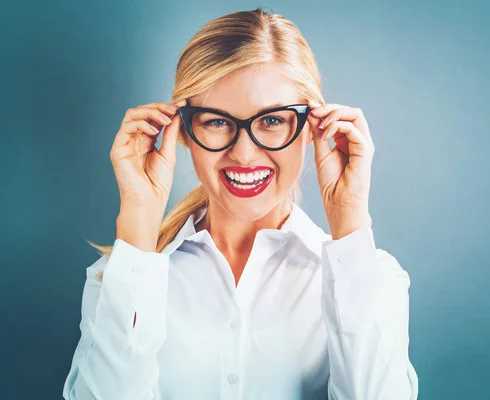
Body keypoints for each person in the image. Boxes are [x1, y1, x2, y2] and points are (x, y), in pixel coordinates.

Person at [62, 7, 418, 400]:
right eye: (216, 122)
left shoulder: (373, 279)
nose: (245, 154)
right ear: (183, 131)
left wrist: (349, 216)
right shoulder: (119, 280)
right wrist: (139, 218)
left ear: (311, 129)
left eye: (272, 121)